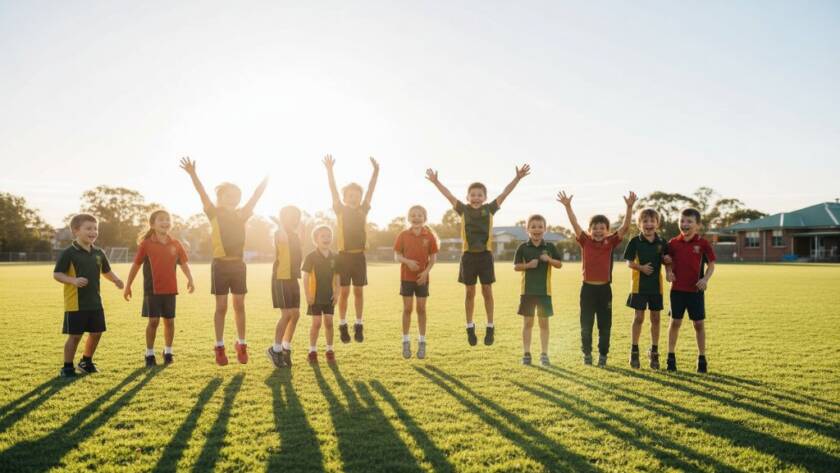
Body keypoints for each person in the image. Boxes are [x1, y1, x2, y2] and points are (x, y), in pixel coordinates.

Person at [425, 164, 530, 346]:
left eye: (479, 195)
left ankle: (490, 327)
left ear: (485, 197)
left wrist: (518, 178)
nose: (476, 197)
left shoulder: (489, 209)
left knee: (487, 291)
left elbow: (505, 193)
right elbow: (448, 195)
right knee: (469, 292)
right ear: (468, 197)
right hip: (468, 257)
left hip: (485, 256)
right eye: (472, 195)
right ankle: (469, 327)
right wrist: (436, 181)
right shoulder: (463, 210)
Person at [180, 157, 268, 365]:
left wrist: (266, 178)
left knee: (239, 305)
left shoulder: (242, 214)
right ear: (220, 197)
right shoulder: (214, 213)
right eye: (229, 195)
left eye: (237, 196)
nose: (234, 198)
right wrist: (193, 174)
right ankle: (219, 346)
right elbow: (201, 193)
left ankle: (242, 343)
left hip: (238, 265)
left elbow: (256, 196)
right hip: (220, 264)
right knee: (221, 306)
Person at [557, 190, 637, 367]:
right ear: (590, 230)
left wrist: (629, 207)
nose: (598, 231)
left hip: (604, 290)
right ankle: (587, 354)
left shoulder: (610, 242)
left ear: (607, 231)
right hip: (587, 290)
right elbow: (574, 223)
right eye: (595, 228)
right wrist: (568, 206)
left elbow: (624, 228)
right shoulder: (585, 241)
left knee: (604, 325)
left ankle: (602, 355)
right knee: (586, 325)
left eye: (602, 228)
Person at [53, 214, 124, 377]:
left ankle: (86, 361)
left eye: (95, 228)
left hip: (95, 302)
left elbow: (106, 271)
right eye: (88, 228)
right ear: (76, 231)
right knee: (75, 336)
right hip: (76, 303)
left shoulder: (99, 252)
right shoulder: (69, 253)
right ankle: (67, 367)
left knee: (97, 333)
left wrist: (116, 280)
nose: (93, 232)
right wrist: (73, 280)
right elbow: (57, 274)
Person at [124, 209, 194, 366]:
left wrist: (190, 279)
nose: (165, 222)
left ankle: (168, 351)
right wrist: (128, 285)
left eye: (167, 219)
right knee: (154, 321)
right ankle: (149, 354)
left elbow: (183, 264)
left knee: (169, 322)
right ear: (153, 224)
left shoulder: (176, 244)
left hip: (170, 289)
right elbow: (135, 266)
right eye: (161, 220)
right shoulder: (146, 244)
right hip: (152, 290)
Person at [322, 155, 379, 344]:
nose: (354, 198)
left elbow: (371, 190)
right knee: (344, 292)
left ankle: (359, 324)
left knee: (359, 292)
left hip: (359, 257)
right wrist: (330, 170)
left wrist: (375, 172)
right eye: (350, 195)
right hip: (343, 257)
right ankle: (343, 324)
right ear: (345, 198)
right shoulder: (340, 209)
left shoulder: (363, 209)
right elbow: (331, 189)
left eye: (357, 195)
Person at [665, 208, 716, 373]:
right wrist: (668, 272)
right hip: (677, 290)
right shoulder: (672, 243)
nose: (684, 224)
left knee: (698, 324)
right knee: (675, 322)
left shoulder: (703, 243)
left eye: (689, 222)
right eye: (682, 221)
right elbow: (667, 261)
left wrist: (705, 279)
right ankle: (670, 357)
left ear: (697, 225)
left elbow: (711, 265)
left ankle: (702, 358)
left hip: (695, 291)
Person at [622, 208, 669, 369]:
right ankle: (634, 350)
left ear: (657, 223)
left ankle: (654, 352)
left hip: (656, 287)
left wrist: (668, 266)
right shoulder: (635, 241)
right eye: (645, 221)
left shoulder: (662, 242)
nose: (649, 224)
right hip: (639, 287)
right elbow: (628, 262)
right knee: (639, 318)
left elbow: (666, 260)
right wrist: (640, 267)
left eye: (652, 221)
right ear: (639, 224)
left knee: (655, 319)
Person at [514, 214, 563, 366]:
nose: (537, 229)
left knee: (544, 324)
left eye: (540, 226)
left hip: (544, 293)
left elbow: (559, 264)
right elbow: (516, 266)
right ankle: (526, 353)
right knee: (528, 323)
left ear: (545, 229)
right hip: (527, 292)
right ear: (527, 229)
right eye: (533, 226)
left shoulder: (550, 247)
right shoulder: (522, 247)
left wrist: (549, 260)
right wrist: (528, 265)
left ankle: (544, 354)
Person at [393, 205, 439, 359]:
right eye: (413, 215)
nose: (416, 217)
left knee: (421, 309)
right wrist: (408, 262)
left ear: (424, 218)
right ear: (409, 218)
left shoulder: (429, 236)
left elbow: (432, 259)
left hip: (422, 279)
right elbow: (397, 256)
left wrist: (425, 273)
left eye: (419, 215)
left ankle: (422, 342)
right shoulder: (403, 235)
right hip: (406, 278)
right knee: (407, 309)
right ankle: (405, 341)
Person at [266, 206, 304, 369]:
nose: (293, 219)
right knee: (287, 314)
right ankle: (275, 349)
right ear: (283, 218)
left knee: (295, 314)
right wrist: (280, 224)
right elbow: (282, 240)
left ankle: (286, 348)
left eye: (296, 216)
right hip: (281, 278)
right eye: (289, 216)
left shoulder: (295, 235)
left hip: (293, 278)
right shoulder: (279, 233)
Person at [302, 225, 341, 364]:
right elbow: (305, 277)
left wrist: (337, 293)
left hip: (329, 296)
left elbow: (337, 277)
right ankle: (312, 351)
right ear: (316, 240)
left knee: (329, 323)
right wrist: (308, 295)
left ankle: (330, 351)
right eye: (323, 236)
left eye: (329, 236)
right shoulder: (311, 257)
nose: (326, 238)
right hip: (315, 296)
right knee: (316, 323)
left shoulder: (335, 257)